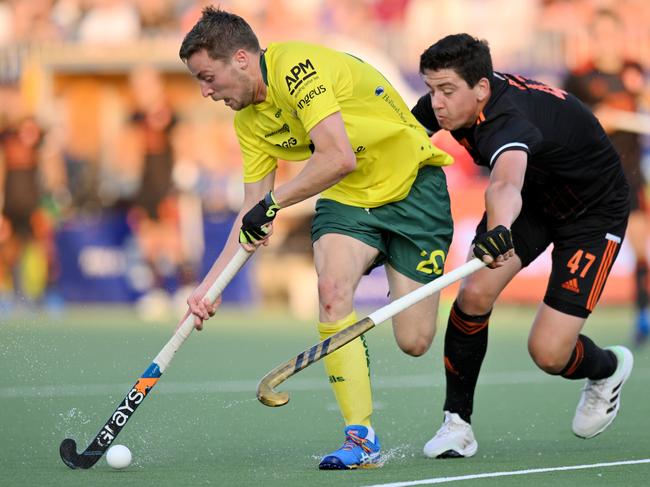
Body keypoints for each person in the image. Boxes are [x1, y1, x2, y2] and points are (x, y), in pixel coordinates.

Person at [179, 7, 454, 469]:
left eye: (208, 77)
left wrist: (273, 205)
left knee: (415, 340)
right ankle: (361, 439)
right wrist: (210, 287)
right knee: (330, 292)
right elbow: (253, 215)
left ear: (242, 59)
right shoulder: (248, 121)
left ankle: (397, 268)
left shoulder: (298, 67)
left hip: (413, 188)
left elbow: (337, 157)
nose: (206, 92)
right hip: (348, 199)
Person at [410, 33, 634, 459]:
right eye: (430, 89)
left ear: (481, 88)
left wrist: (498, 228)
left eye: (446, 91)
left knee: (549, 353)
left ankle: (607, 369)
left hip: (592, 213)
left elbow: (506, 182)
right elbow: (397, 144)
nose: (436, 103)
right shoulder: (449, 103)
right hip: (537, 200)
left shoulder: (508, 119)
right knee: (474, 293)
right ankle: (456, 423)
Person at [563, 9, 649, 346]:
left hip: (630, 175)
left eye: (612, 34)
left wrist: (640, 94)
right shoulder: (579, 76)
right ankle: (569, 315)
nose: (607, 42)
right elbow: (567, 121)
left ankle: (643, 315)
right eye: (600, 35)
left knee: (642, 247)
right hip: (594, 176)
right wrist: (598, 119)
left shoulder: (634, 71)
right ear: (593, 38)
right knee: (585, 248)